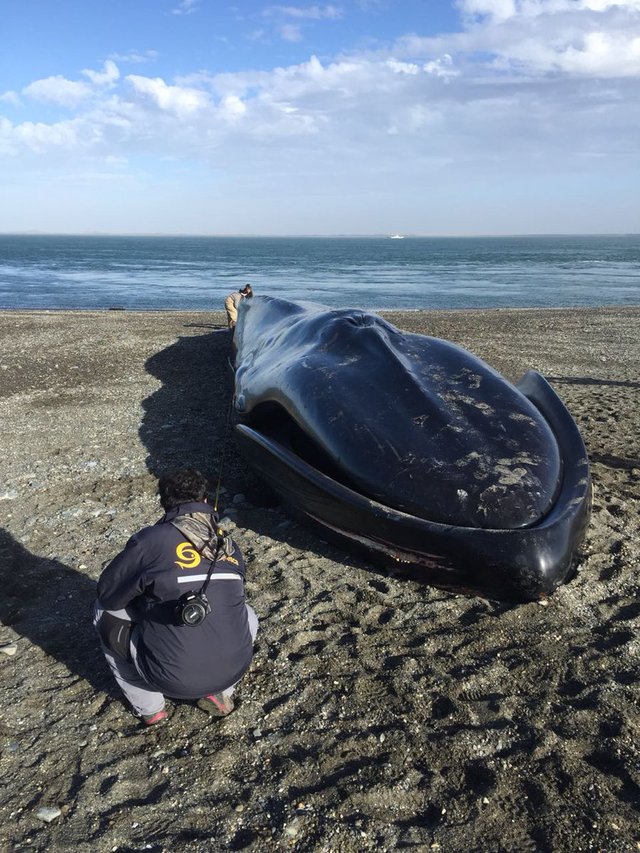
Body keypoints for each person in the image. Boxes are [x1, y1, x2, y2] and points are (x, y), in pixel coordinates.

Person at [93, 468, 258, 726]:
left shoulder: (150, 541)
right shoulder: (228, 544)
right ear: (205, 501)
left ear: (165, 504)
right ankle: (220, 691)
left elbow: (108, 595)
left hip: (170, 677)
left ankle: (151, 708)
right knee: (245, 611)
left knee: (103, 612)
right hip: (235, 668)